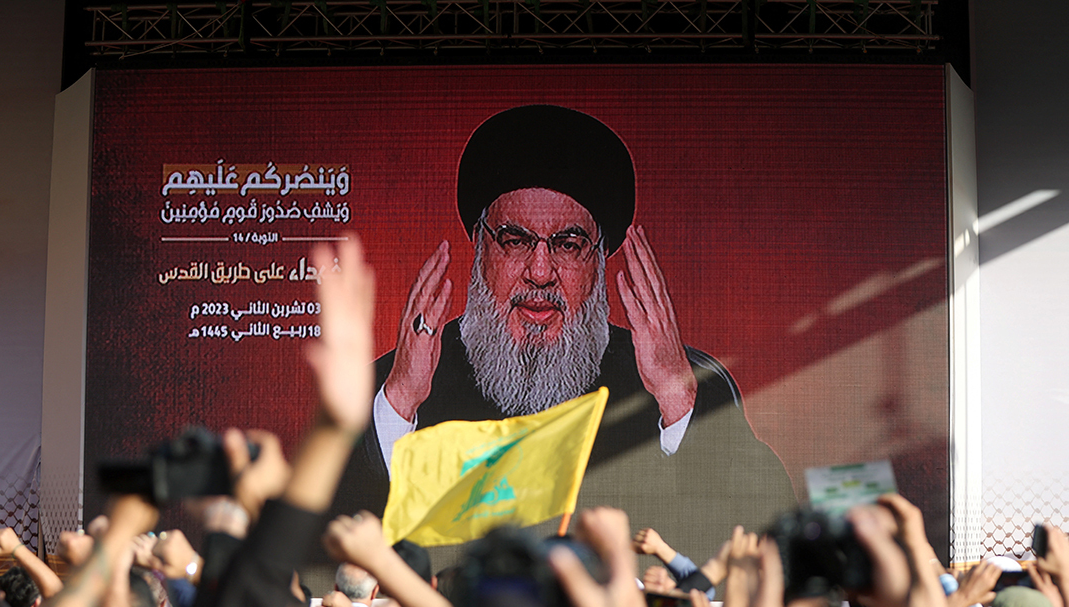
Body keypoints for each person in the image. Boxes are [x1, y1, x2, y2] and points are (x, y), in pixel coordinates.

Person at [337, 104, 795, 560]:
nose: (540, 271)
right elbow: (328, 550)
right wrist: (397, 409)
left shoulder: (685, 384)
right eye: (515, 241)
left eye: (569, 245)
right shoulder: (393, 388)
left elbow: (771, 540)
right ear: (480, 248)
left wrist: (678, 403)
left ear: (599, 260)